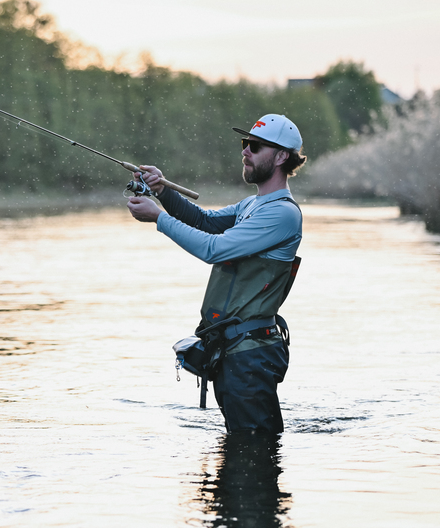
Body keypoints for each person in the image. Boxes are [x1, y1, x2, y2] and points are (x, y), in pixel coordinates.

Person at [127, 114, 306, 434]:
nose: (245, 152)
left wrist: (158, 218)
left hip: (250, 355)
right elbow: (206, 222)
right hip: (234, 350)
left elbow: (214, 249)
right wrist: (163, 190)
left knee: (253, 454)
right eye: (245, 144)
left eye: (255, 146)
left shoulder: (283, 214)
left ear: (281, 157)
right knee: (243, 451)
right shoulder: (252, 204)